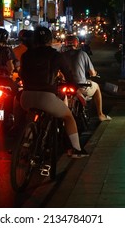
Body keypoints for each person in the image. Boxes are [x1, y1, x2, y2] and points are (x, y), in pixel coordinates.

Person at [19, 26, 88, 158]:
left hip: (26, 97)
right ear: (50, 40)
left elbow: (22, 73)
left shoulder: (25, 55)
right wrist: (74, 88)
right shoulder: (56, 55)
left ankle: (26, 142)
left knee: (28, 115)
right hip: (46, 97)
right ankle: (75, 149)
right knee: (68, 117)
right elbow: (68, 75)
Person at [62, 35, 112, 122]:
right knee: (96, 87)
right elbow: (92, 73)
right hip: (80, 86)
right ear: (76, 44)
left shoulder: (61, 56)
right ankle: (100, 115)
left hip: (65, 85)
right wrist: (95, 74)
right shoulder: (83, 54)